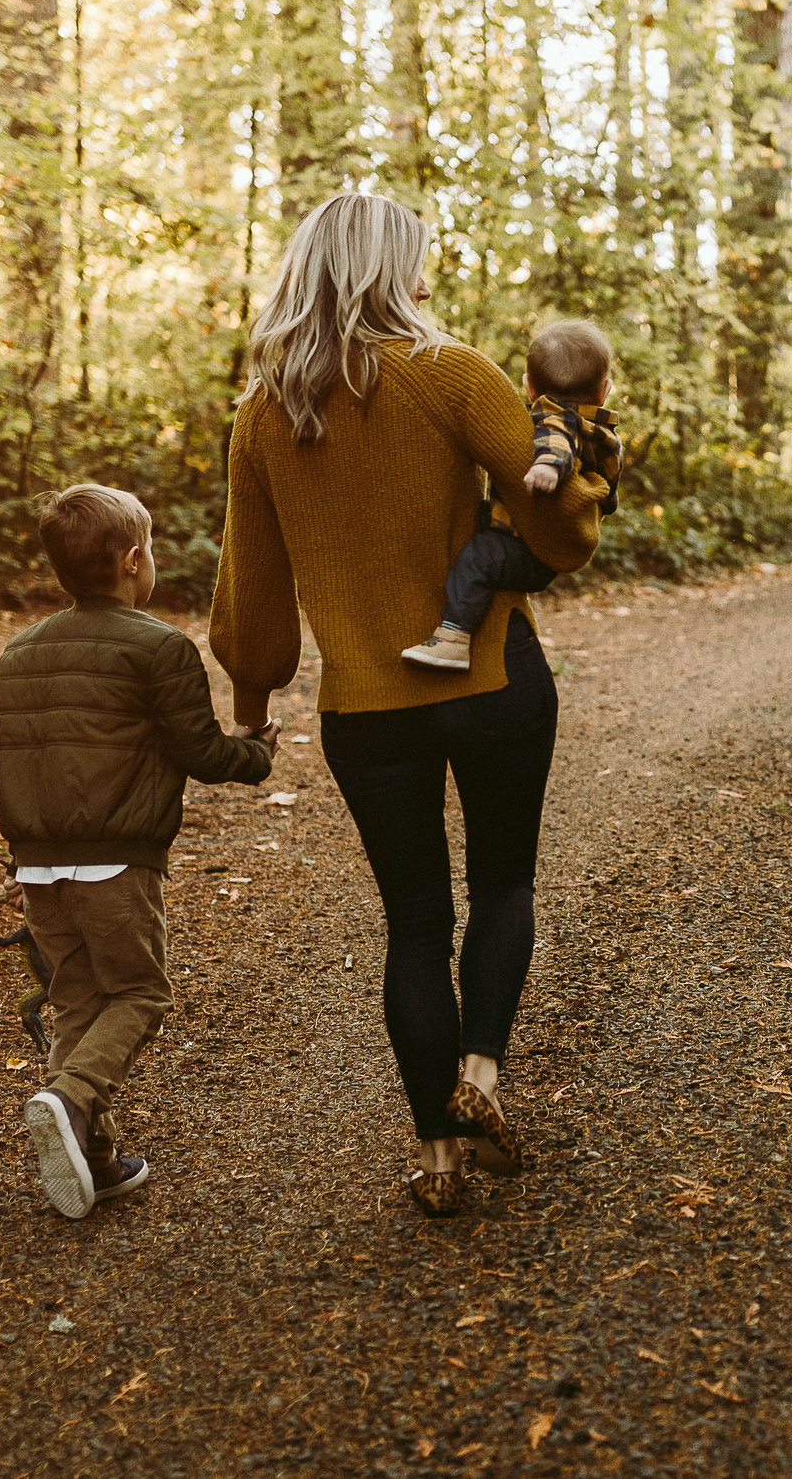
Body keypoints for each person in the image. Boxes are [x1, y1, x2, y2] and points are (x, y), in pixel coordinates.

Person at [209, 193, 609, 1216]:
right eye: (417, 260)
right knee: (504, 885)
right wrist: (584, 485)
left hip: (366, 709)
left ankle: (436, 1153)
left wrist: (250, 712)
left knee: (414, 924)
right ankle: (479, 1074)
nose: (427, 276)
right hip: (489, 682)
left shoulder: (264, 411)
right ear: (391, 269)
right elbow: (557, 531)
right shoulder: (452, 373)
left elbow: (252, 607)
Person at [0, 483, 279, 1219]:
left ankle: (94, 1155)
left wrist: (20, 856)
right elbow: (200, 750)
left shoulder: (19, 653)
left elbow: (21, 758)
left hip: (39, 864)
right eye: (149, 550)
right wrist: (255, 754)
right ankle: (68, 1096)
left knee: (79, 998)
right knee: (142, 991)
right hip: (116, 860)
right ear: (131, 561)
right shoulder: (159, 647)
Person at [404, 319, 624, 672]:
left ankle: (453, 637)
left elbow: (557, 440)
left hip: (523, 547)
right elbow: (610, 489)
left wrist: (548, 468)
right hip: (547, 554)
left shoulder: (556, 417)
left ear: (528, 388)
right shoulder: (606, 434)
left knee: (477, 559)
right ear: (605, 390)